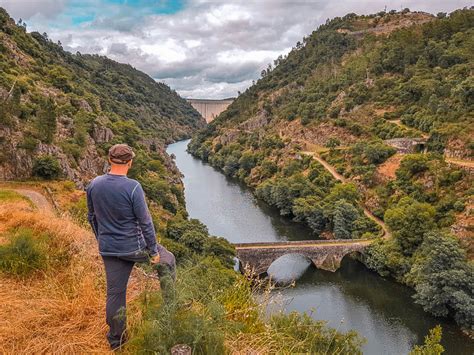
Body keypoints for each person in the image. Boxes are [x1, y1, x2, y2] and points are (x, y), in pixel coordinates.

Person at [86, 143, 175, 350]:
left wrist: (101, 238)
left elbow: (91, 217)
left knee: (115, 294)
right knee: (168, 260)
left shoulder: (94, 184)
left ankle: (116, 342)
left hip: (109, 248)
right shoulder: (133, 186)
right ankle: (171, 306)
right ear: (130, 162)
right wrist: (153, 252)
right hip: (133, 247)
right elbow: (145, 222)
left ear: (109, 160)